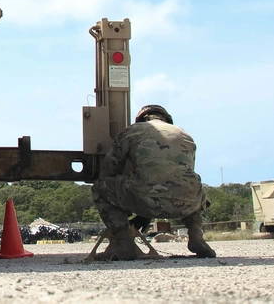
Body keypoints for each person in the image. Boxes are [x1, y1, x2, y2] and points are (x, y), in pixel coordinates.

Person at [92, 104, 216, 260]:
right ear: (167, 119)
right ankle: (196, 237)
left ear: (141, 119)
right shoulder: (185, 135)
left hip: (145, 197)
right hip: (186, 203)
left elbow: (109, 169)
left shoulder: (132, 131)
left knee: (100, 188)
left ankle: (124, 243)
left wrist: (134, 205)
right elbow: (178, 177)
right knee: (193, 189)